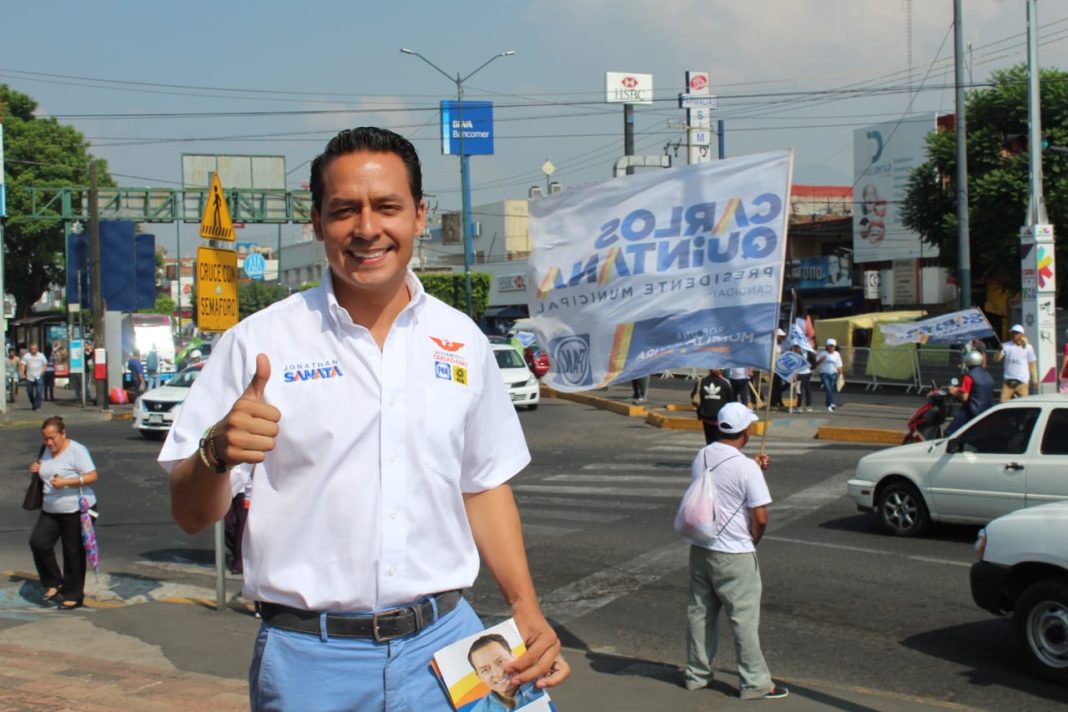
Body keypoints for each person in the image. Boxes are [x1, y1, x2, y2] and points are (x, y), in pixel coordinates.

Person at [160, 127, 568, 710]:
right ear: (317, 220)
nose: (368, 228)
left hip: (451, 644)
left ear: (420, 215)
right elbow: (189, 514)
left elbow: (483, 486)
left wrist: (525, 608)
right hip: (311, 663)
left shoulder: (461, 340)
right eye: (345, 210)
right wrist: (214, 452)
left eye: (388, 207)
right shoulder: (258, 343)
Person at [683, 403, 788, 700]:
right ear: (746, 430)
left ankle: (696, 674)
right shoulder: (745, 468)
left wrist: (751, 465)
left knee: (700, 613)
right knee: (743, 619)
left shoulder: (703, 455)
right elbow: (761, 516)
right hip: (735, 553)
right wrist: (753, 539)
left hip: (702, 547)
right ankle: (755, 682)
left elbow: (721, 479)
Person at [28, 415, 99, 610]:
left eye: (53, 438)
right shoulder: (46, 451)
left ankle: (73, 595)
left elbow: (92, 476)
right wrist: (36, 469)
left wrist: (67, 482)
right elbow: (46, 472)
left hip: (76, 509)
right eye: (46, 438)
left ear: (63, 433)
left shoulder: (77, 450)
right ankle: (54, 581)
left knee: (73, 551)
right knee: (39, 543)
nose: (49, 443)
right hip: (50, 509)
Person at [467, 634, 547, 711]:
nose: (497, 674)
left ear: (514, 656)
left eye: (500, 661)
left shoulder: (545, 680)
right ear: (479, 677)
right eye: (485, 670)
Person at [944, 350, 994, 436]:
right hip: (987, 409)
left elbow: (964, 397)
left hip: (972, 410)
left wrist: (954, 393)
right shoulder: (987, 374)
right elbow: (977, 389)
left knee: (950, 432)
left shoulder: (969, 376)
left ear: (968, 361)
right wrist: (959, 390)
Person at [995, 324, 1037, 400]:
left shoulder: (1028, 347)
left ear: (1022, 334)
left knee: (1024, 404)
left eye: (1017, 333)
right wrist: (999, 351)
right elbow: (997, 359)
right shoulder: (1005, 346)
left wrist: (1035, 379)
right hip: (1008, 381)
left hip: (1022, 381)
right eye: (1013, 333)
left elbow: (1032, 364)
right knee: (1003, 402)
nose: (1014, 335)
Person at [692, 368, 734, 444]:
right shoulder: (725, 382)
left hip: (706, 417)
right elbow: (731, 401)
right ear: (721, 370)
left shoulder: (701, 381)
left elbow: (694, 396)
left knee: (709, 442)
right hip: (720, 418)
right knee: (720, 443)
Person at [815, 338, 844, 412]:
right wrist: (821, 360)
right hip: (824, 373)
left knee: (830, 389)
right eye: (830, 346)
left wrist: (841, 374)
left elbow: (839, 365)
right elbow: (816, 363)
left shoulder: (837, 354)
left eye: (833, 346)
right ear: (827, 346)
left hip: (834, 374)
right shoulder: (823, 353)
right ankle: (832, 404)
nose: (831, 348)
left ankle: (828, 404)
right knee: (828, 389)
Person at [20, 342, 48, 411]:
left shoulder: (41, 355)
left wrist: (43, 371)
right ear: (30, 349)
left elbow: (45, 364)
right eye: (32, 349)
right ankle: (33, 403)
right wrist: (22, 373)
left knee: (39, 391)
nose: (33, 350)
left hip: (39, 375)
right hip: (30, 376)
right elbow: (22, 364)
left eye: (35, 349)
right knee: (29, 392)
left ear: (37, 349)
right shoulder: (27, 356)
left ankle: (37, 406)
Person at [788, 343, 814, 413]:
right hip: (807, 373)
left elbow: (795, 367)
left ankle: (799, 406)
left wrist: (794, 376)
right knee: (807, 390)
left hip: (801, 374)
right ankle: (808, 406)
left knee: (799, 390)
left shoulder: (796, 356)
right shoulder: (803, 354)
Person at [769, 329, 787, 410]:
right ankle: (774, 402)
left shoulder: (779, 345)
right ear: (777, 336)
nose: (783, 339)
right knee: (775, 386)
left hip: (779, 368)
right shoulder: (773, 345)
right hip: (774, 368)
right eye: (781, 337)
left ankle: (778, 401)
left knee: (779, 386)